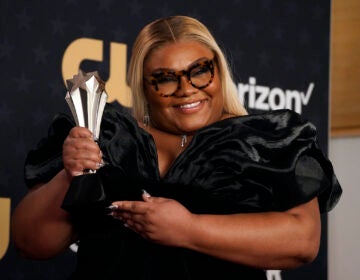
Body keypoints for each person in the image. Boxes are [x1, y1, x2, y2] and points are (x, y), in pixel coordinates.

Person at [11, 15, 342, 279]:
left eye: (199, 72)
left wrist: (188, 229)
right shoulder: (107, 134)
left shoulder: (267, 139)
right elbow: (30, 243)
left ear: (219, 71)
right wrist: (68, 176)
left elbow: (303, 242)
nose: (186, 89)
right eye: (166, 78)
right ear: (142, 84)